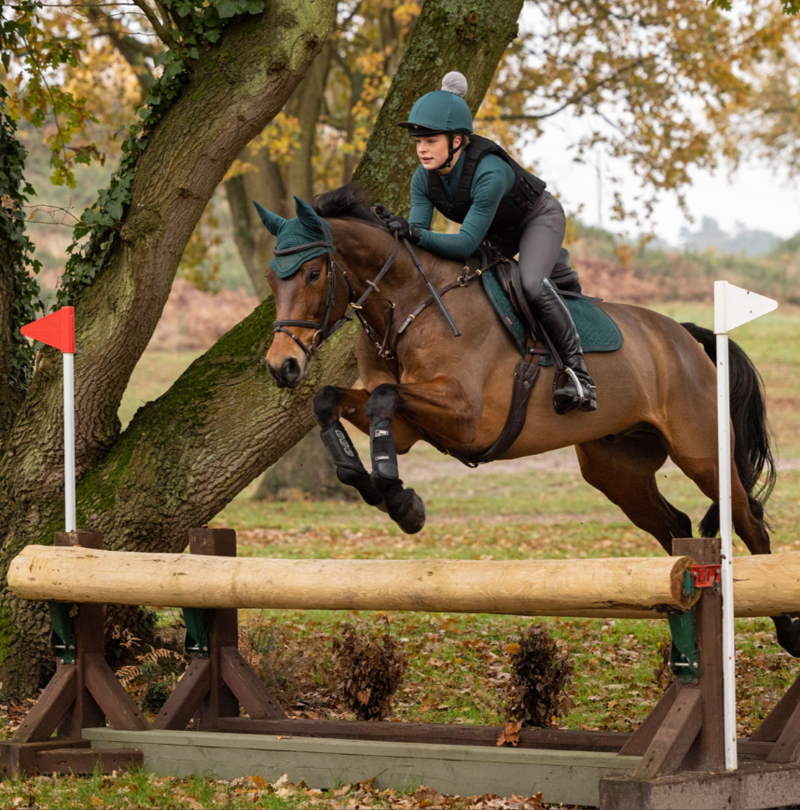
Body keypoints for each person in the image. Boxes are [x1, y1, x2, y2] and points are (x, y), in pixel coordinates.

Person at [386, 71, 596, 414]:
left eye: (431, 140)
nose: (422, 149)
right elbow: (419, 244)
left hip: (536, 219)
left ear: (457, 140)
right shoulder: (423, 179)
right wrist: (396, 233)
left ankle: (578, 374)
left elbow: (466, 243)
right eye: (418, 141)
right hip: (496, 232)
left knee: (529, 283)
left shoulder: (489, 172)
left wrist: (415, 233)